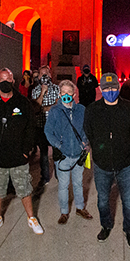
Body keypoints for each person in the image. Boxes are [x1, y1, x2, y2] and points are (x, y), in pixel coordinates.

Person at [0, 68, 44, 235]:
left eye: (8, 78)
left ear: (13, 80)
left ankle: (31, 218)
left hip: (19, 158)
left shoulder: (23, 103)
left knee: (24, 189)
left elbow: (31, 127)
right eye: (2, 79)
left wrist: (26, 151)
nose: (5, 82)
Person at [84, 73, 130, 248]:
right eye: (106, 88)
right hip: (102, 165)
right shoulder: (92, 110)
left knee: (129, 203)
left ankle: (129, 230)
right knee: (102, 201)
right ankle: (106, 225)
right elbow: (90, 133)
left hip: (125, 165)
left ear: (119, 88)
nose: (110, 91)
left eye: (113, 88)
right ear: (100, 89)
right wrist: (100, 152)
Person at [45, 80, 93, 223]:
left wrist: (85, 141)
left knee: (78, 183)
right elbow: (48, 131)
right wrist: (57, 145)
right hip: (63, 156)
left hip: (78, 154)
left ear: (74, 93)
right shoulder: (54, 111)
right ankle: (64, 212)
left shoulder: (81, 110)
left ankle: (80, 208)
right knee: (63, 185)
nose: (66, 95)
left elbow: (86, 127)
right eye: (63, 92)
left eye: (69, 92)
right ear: (59, 94)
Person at [31, 65, 59, 186]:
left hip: (55, 126)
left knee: (57, 152)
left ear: (50, 75)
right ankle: (45, 177)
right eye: (42, 74)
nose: (44, 76)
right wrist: (42, 92)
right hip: (40, 126)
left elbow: (59, 105)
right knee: (43, 153)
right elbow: (35, 107)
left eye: (46, 73)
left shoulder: (57, 89)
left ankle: (59, 175)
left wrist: (45, 108)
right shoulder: (35, 90)